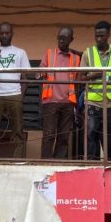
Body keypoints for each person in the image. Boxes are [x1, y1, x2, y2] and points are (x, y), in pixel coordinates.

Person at [79, 21, 111, 161]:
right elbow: (81, 78)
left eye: (102, 36)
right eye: (97, 36)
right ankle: (91, 168)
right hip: (92, 103)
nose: (99, 39)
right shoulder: (88, 53)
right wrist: (96, 74)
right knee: (90, 139)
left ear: (108, 35)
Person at [0, 22, 31, 158]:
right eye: (1, 33)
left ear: (12, 34)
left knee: (18, 131)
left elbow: (25, 78)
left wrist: (20, 96)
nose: (4, 35)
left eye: (7, 33)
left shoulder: (20, 52)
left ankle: (17, 160)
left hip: (15, 94)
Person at [39, 26, 81, 159]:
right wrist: (40, 74)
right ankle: (45, 163)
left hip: (68, 102)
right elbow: (39, 72)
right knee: (49, 134)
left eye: (65, 38)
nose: (61, 41)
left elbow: (78, 81)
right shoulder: (49, 53)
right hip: (50, 100)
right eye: (59, 38)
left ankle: (59, 163)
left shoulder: (76, 58)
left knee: (64, 136)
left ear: (71, 39)